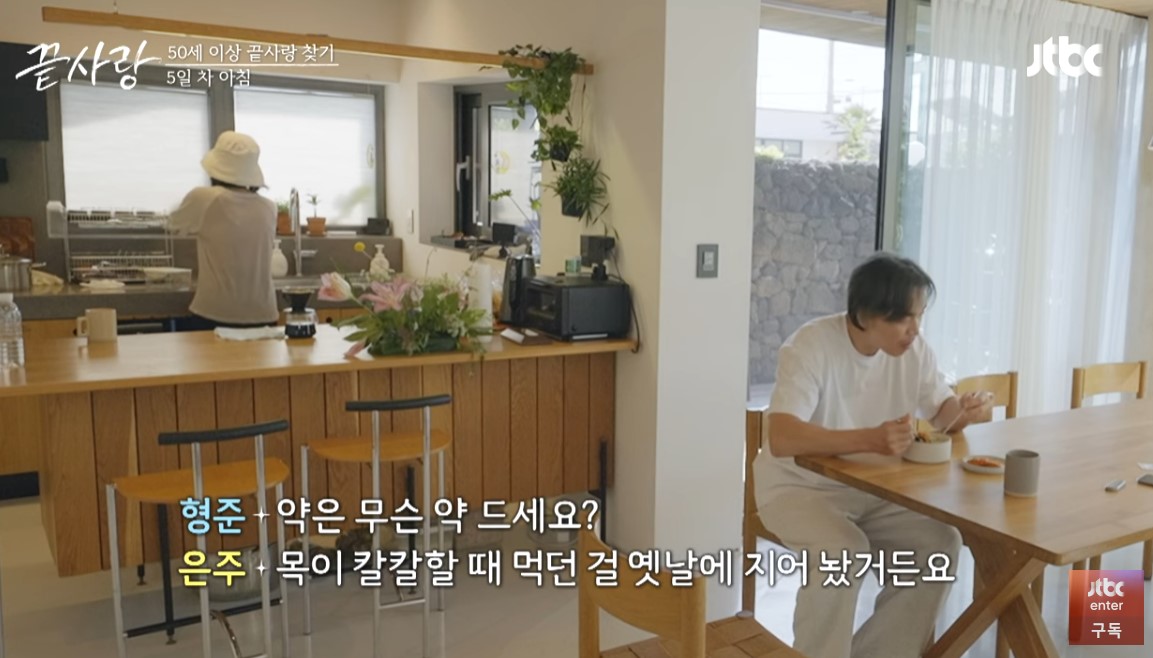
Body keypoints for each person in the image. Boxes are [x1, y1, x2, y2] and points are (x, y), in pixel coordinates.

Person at [753, 253, 992, 658]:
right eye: (904, 318)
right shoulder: (811, 346)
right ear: (866, 314)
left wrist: (968, 410)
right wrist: (870, 439)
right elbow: (782, 437)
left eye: (919, 317)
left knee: (940, 544)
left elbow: (942, 412)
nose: (914, 330)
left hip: (876, 492)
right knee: (842, 552)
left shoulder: (914, 351)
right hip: (798, 490)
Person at [169, 131, 279, 329]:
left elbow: (173, 225)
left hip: (215, 314)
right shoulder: (269, 207)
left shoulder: (205, 198)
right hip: (264, 315)